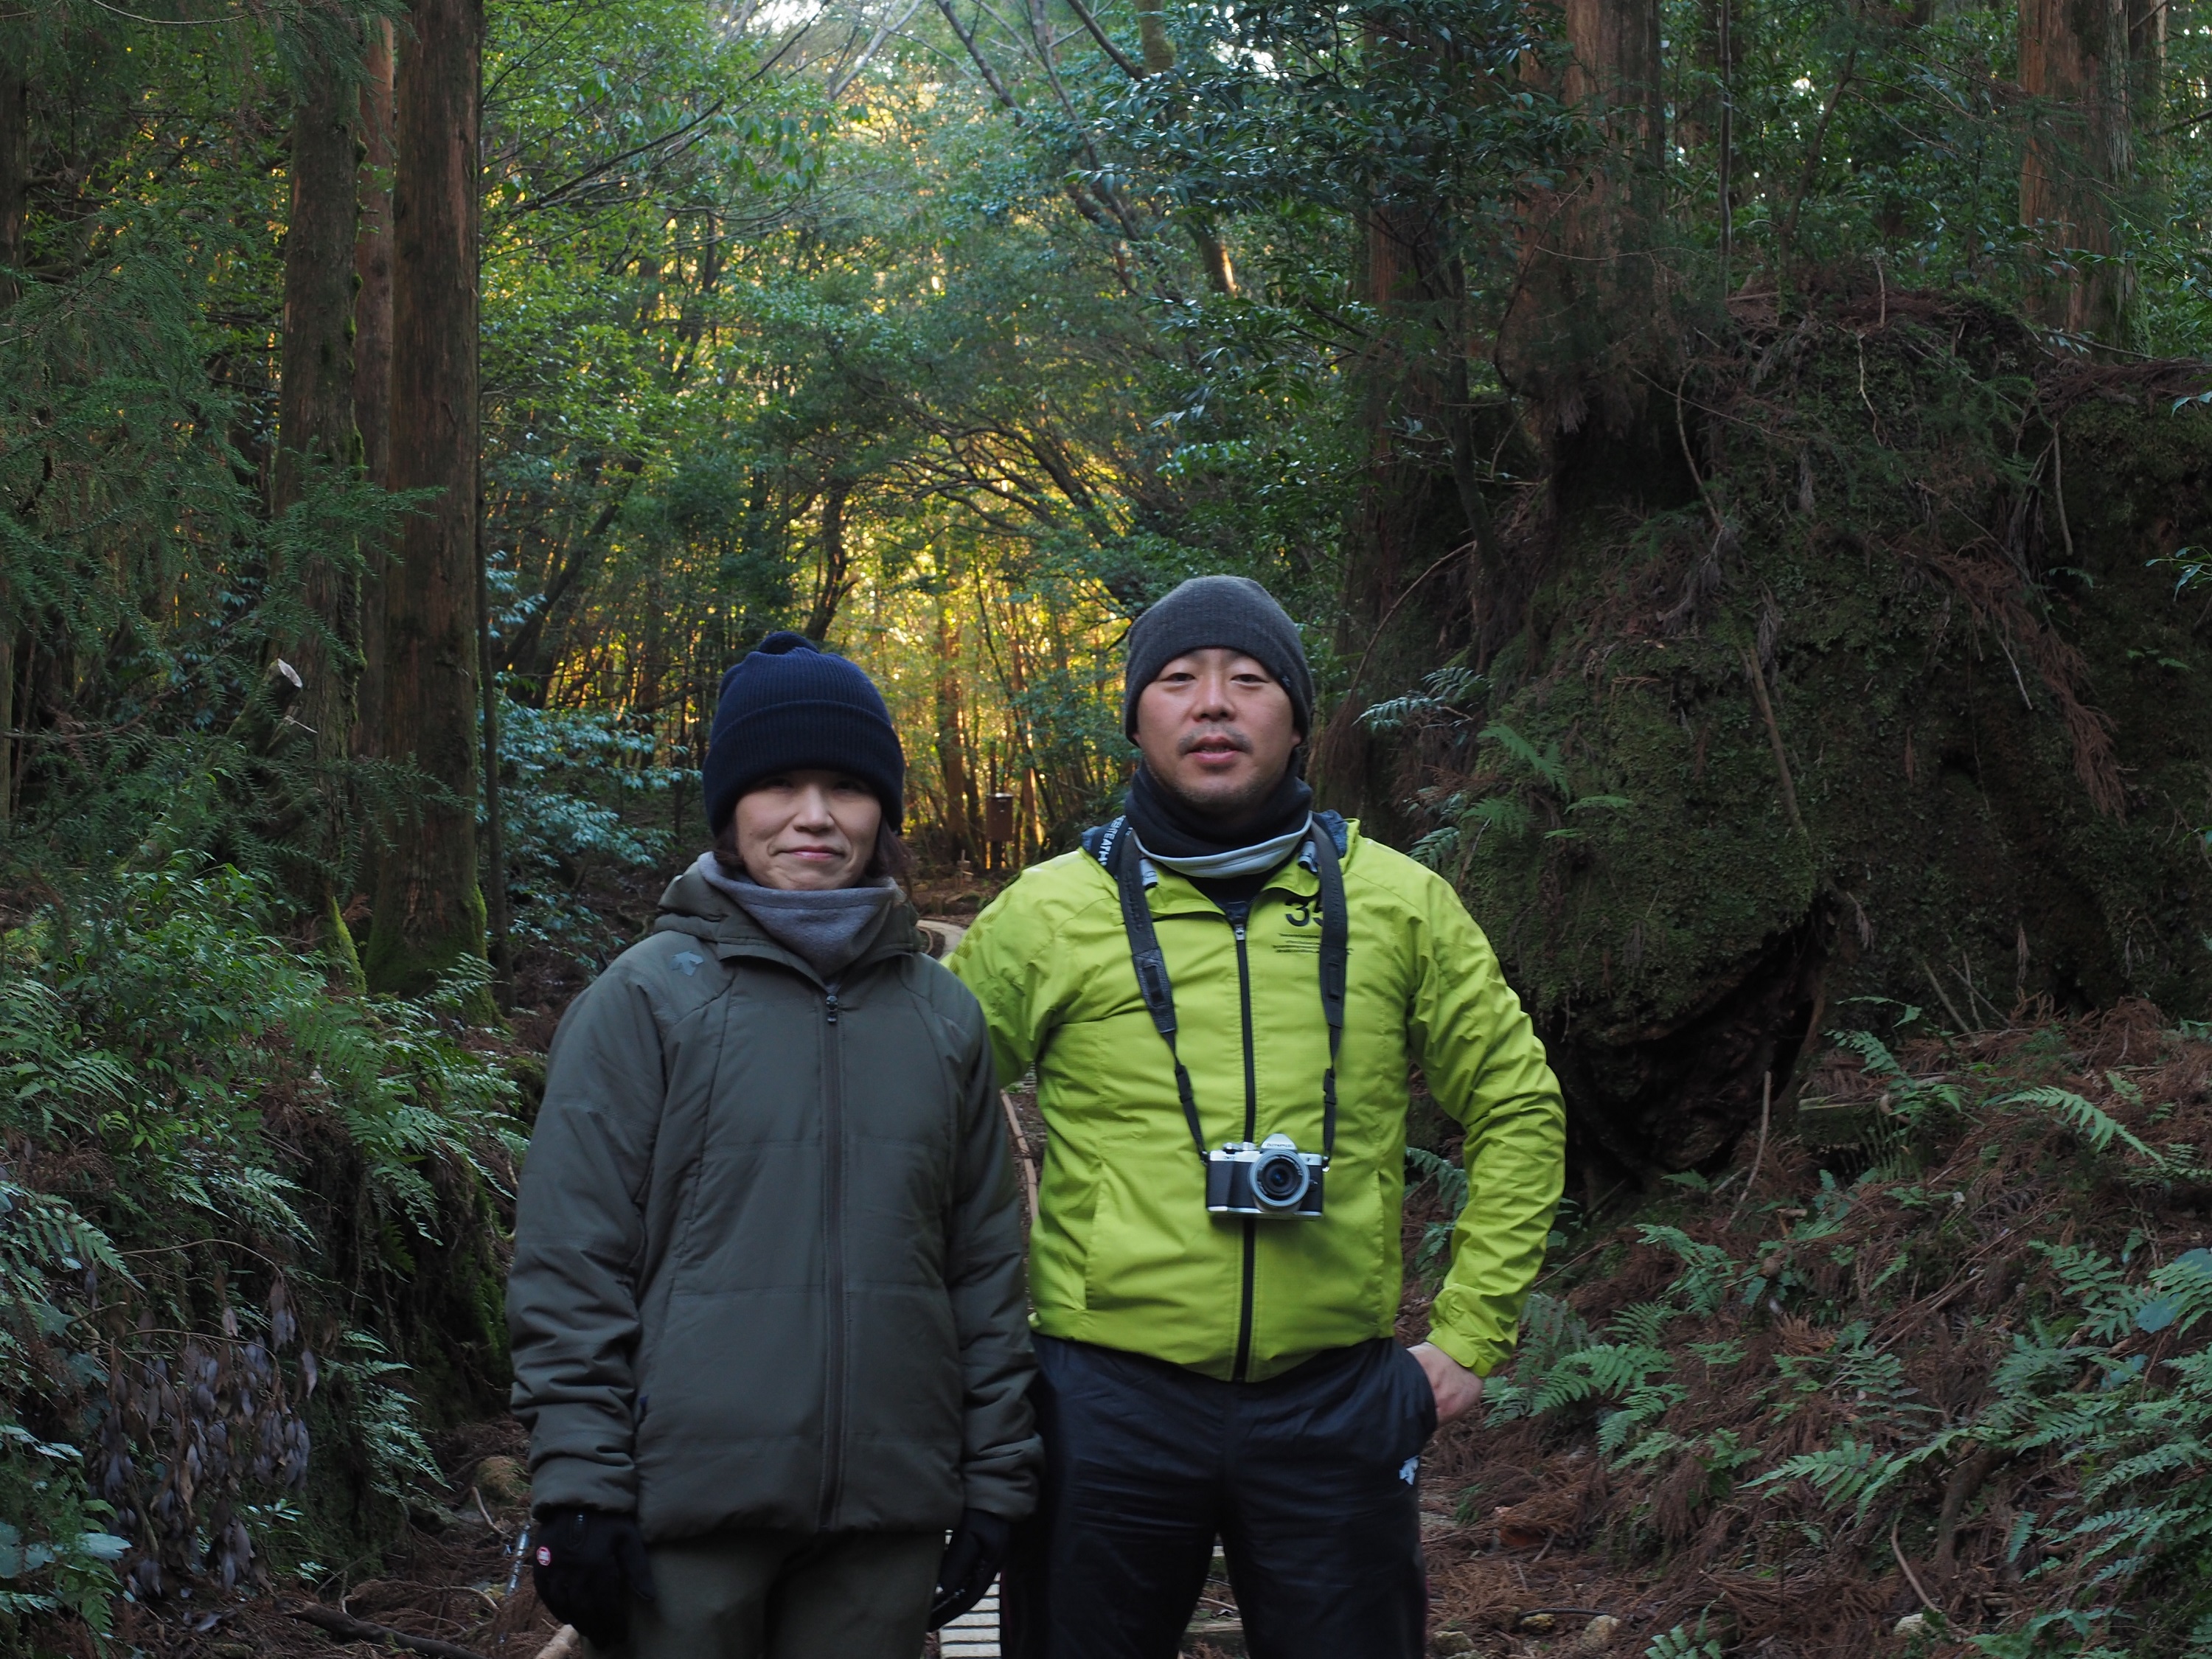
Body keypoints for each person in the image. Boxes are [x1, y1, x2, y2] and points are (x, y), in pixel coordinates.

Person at [948, 576, 1565, 1659]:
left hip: (1336, 1396)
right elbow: (918, 1115)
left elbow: (1516, 1105)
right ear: (1137, 717)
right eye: (1178, 681)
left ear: (1298, 714)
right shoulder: (1047, 913)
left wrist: (1470, 1332)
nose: (1214, 705)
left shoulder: (1398, 903)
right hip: (1103, 1398)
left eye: (1250, 679)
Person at [507, 631, 1039, 1659]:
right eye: (779, 784)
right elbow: (572, 1261)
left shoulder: (941, 1017)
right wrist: (577, 1484)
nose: (813, 814)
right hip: (684, 1514)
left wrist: (997, 1480)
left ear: (881, 809)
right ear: (730, 806)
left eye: (844, 785)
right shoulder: (646, 1000)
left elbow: (983, 1267)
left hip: (883, 1517)